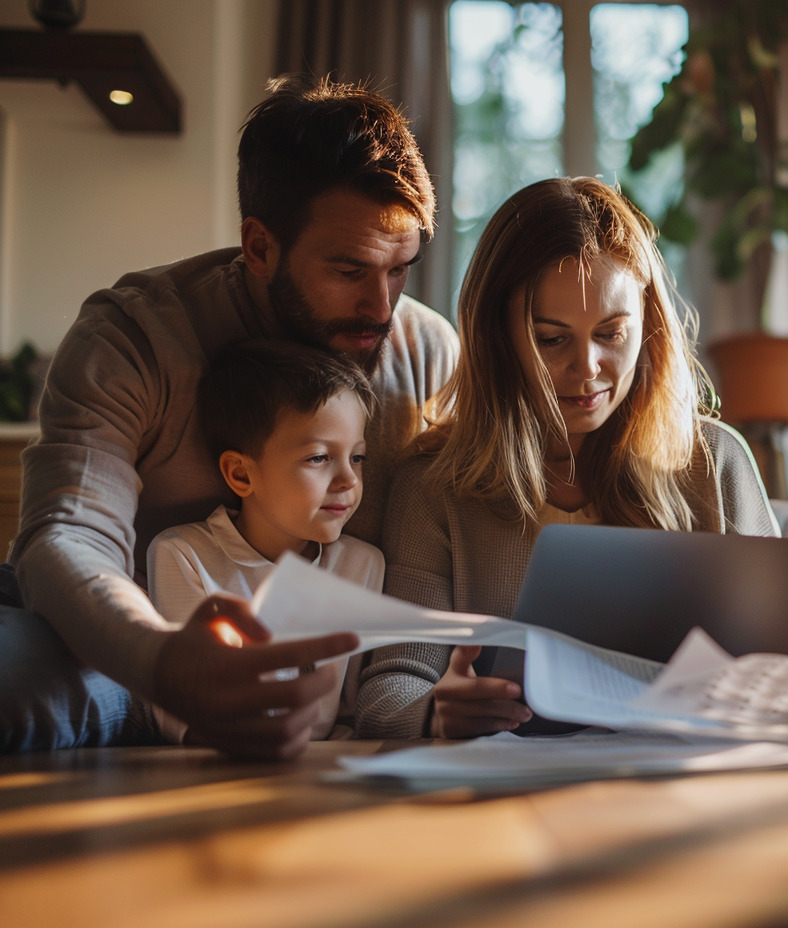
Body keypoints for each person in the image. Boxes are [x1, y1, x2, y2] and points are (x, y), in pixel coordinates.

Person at [0, 75, 459, 758]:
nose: (381, 307)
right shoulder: (131, 338)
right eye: (348, 270)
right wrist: (166, 663)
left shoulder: (425, 353)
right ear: (259, 245)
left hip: (341, 687)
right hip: (127, 650)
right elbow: (66, 537)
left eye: (400, 270)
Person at [355, 176, 779, 741]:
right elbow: (389, 688)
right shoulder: (433, 486)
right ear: (498, 337)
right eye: (552, 339)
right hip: (511, 799)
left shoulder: (716, 462)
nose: (588, 369)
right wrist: (435, 710)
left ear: (647, 326)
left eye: (612, 333)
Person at [147, 339, 385, 743]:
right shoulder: (183, 555)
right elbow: (179, 711)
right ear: (241, 475)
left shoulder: (363, 565)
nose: (349, 480)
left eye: (357, 457)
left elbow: (350, 714)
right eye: (319, 458)